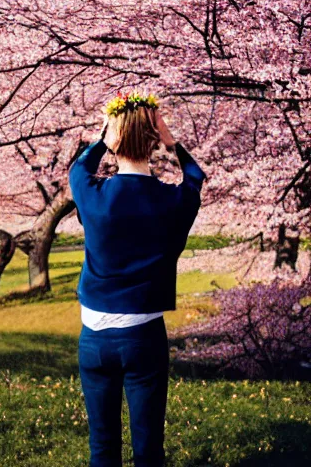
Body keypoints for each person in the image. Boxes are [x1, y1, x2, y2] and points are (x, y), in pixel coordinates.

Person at [68, 91, 208, 467]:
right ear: (153, 144)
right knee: (148, 451)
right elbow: (195, 177)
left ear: (115, 145)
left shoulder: (93, 195)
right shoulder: (171, 202)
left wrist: (103, 138)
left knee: (103, 448)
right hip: (144, 336)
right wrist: (170, 140)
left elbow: (77, 171)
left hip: (94, 337)